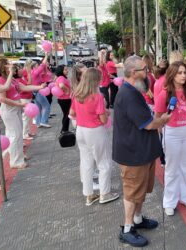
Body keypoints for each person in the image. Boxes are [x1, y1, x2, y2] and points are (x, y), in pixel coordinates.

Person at [113, 56, 171, 247]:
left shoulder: (134, 90)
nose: (147, 72)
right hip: (133, 155)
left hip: (141, 152)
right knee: (132, 192)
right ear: (132, 73)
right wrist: (163, 119)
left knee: (141, 190)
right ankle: (128, 228)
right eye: (144, 69)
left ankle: (137, 219)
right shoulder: (128, 94)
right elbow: (148, 124)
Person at [69, 68, 119, 206]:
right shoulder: (97, 97)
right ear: (95, 80)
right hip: (95, 131)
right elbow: (103, 120)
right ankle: (104, 193)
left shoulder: (77, 94)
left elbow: (72, 113)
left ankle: (89, 195)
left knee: (86, 162)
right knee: (104, 163)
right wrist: (106, 113)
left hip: (81, 130)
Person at [155, 61, 186, 216]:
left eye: (184, 73)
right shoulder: (164, 94)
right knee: (172, 169)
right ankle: (169, 201)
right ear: (172, 75)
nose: (183, 76)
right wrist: (161, 135)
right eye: (179, 73)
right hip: (172, 132)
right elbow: (158, 117)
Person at [0, 58, 46, 169]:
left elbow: (24, 87)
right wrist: (18, 105)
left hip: (16, 107)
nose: (11, 65)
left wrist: (39, 87)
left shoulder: (11, 79)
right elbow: (3, 99)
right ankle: (15, 161)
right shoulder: (0, 80)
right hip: (9, 109)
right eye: (8, 64)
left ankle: (19, 156)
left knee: (15, 134)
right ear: (3, 67)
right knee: (15, 135)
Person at [29, 54, 51, 128]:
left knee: (39, 108)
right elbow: (43, 64)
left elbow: (44, 70)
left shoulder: (32, 73)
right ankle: (43, 121)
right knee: (46, 106)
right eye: (37, 65)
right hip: (38, 91)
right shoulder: (35, 72)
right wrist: (46, 55)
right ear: (34, 66)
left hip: (34, 92)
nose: (39, 66)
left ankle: (38, 123)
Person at [18, 61, 34, 140]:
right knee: (25, 117)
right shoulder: (20, 77)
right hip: (24, 98)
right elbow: (29, 84)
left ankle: (27, 132)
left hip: (28, 97)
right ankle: (24, 134)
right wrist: (29, 73)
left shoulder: (22, 77)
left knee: (28, 117)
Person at [55, 65, 72, 133]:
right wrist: (67, 90)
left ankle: (64, 129)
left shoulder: (60, 77)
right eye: (65, 69)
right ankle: (64, 130)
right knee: (67, 115)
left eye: (67, 69)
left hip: (63, 99)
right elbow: (61, 85)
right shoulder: (61, 77)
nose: (67, 71)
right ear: (61, 71)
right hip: (65, 99)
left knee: (66, 115)